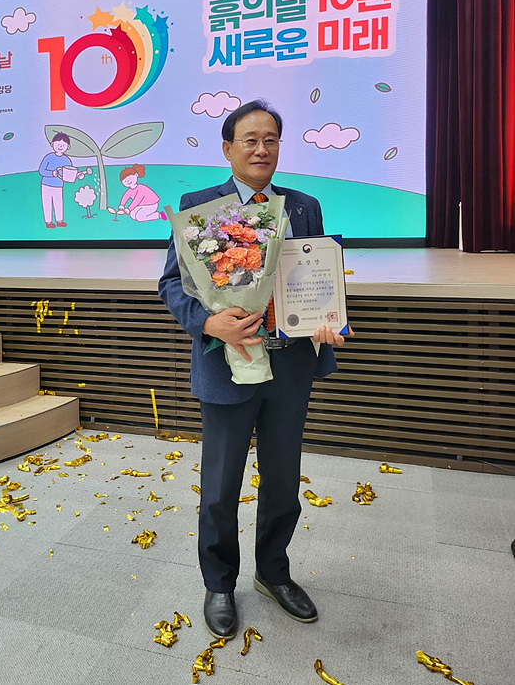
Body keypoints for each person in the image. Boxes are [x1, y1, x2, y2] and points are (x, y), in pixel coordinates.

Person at [158, 99, 353, 640]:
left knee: (283, 481)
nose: (262, 149)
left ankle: (273, 573)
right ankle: (219, 583)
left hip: (290, 366)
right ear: (228, 148)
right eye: (250, 140)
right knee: (220, 486)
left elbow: (314, 278)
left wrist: (326, 321)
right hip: (228, 365)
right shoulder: (200, 206)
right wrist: (208, 322)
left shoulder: (304, 207)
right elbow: (171, 284)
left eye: (271, 139)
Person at [39, 132, 73, 228]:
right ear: (52, 144)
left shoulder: (67, 160)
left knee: (58, 203)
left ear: (68, 147)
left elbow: (68, 174)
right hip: (46, 185)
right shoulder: (49, 157)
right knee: (47, 203)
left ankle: (59, 220)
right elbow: (41, 170)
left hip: (58, 186)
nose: (60, 146)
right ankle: (48, 222)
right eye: (58, 144)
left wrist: (78, 175)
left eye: (63, 145)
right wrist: (52, 173)